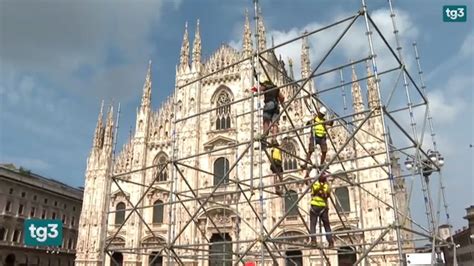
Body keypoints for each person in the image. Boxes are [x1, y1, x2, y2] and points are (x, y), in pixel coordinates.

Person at [308, 169, 334, 247]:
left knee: (313, 225)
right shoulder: (327, 186)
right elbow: (328, 195)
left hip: (315, 206)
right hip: (323, 207)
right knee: (326, 226)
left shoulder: (315, 184)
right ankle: (330, 242)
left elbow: (307, 181)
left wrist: (307, 172)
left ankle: (313, 241)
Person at [302, 106, 333, 171]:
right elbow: (307, 125)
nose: (321, 115)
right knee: (310, 150)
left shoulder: (324, 121)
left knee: (324, 151)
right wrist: (310, 121)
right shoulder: (314, 119)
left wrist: (332, 119)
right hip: (314, 136)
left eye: (323, 115)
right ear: (319, 113)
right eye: (321, 114)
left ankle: (321, 164)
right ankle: (305, 164)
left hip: (322, 137)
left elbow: (330, 124)